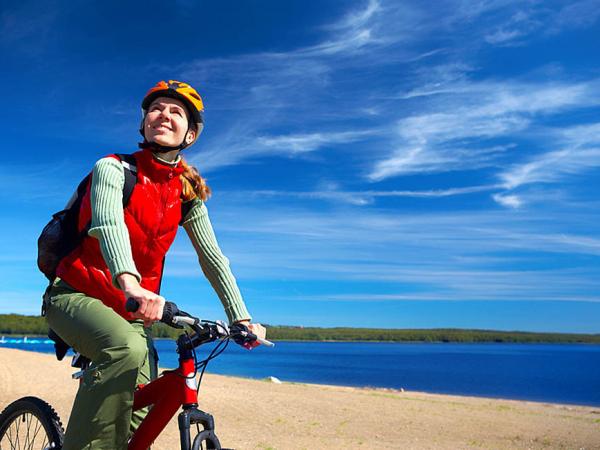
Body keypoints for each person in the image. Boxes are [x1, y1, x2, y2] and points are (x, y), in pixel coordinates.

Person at [43, 80, 266, 449]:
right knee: (125, 351)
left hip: (132, 313)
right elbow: (108, 224)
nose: (164, 114)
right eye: (156, 108)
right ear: (144, 122)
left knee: (141, 406)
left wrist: (240, 318)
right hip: (74, 293)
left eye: (176, 111)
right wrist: (130, 283)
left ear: (190, 134)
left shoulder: (186, 194)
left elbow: (212, 257)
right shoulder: (113, 169)